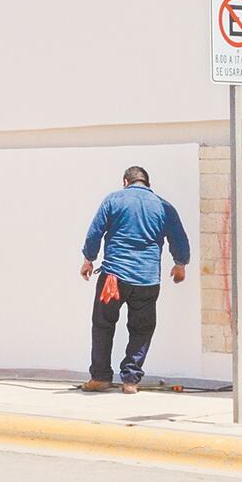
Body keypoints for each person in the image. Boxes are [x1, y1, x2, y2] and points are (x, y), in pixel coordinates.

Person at [79, 166, 190, 394]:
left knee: (103, 325)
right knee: (141, 329)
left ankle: (100, 377)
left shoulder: (113, 200)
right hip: (147, 279)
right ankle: (130, 380)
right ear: (147, 183)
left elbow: (95, 232)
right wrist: (180, 264)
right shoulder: (163, 206)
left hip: (113, 278)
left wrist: (88, 259)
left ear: (125, 181)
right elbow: (179, 238)